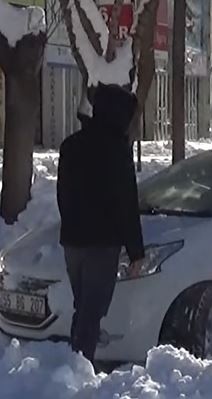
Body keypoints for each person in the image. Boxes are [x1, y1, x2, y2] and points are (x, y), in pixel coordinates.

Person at [57, 84, 144, 363]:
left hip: (72, 242)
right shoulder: (117, 151)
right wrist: (136, 252)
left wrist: (71, 223)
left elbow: (62, 195)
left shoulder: (70, 146)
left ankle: (74, 361)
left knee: (82, 306)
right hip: (102, 244)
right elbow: (126, 203)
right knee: (92, 311)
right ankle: (80, 367)